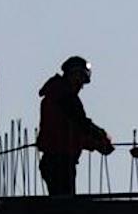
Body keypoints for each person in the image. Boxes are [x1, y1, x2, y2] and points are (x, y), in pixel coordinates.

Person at [37, 55, 114, 196]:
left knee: (62, 205)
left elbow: (72, 133)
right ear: (72, 74)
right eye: (80, 79)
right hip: (59, 162)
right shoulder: (64, 96)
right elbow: (81, 125)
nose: (81, 85)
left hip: (57, 160)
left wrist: (95, 144)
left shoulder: (57, 94)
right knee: (66, 209)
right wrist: (100, 136)